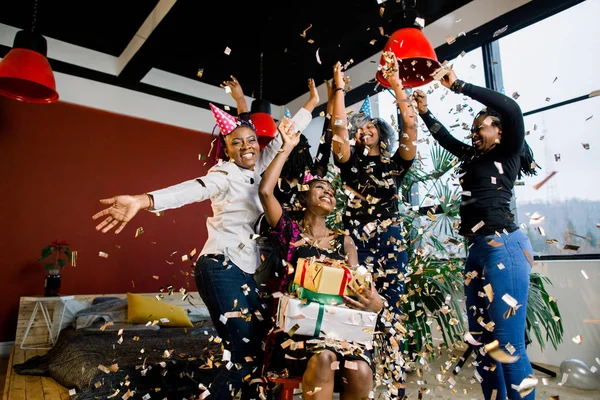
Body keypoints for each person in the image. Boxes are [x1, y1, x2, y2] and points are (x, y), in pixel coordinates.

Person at [91, 103, 312, 400]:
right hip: (220, 266)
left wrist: (313, 101)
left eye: (250, 141)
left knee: (258, 350)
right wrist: (143, 201)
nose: (247, 146)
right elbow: (190, 190)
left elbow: (287, 134)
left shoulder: (260, 168)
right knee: (242, 355)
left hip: (247, 271)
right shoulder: (223, 175)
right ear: (227, 150)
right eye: (237, 143)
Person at [412, 67, 539, 400]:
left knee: (508, 347)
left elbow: (512, 109)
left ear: (498, 131)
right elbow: (445, 139)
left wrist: (458, 85)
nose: (472, 134)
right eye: (471, 130)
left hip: (505, 247)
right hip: (476, 252)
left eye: (479, 128)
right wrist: (425, 113)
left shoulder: (507, 151)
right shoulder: (472, 156)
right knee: (484, 346)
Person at [258, 117, 383, 400]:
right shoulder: (290, 233)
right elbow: (265, 191)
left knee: (360, 370)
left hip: (340, 329)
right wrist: (286, 148)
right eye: (320, 187)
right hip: (301, 329)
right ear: (303, 199)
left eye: (331, 190)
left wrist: (377, 304)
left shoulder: (345, 240)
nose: (328, 191)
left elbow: (359, 289)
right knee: (324, 358)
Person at [331, 53, 417, 338]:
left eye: (370, 126)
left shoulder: (395, 164)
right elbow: (339, 129)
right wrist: (339, 89)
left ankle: (396, 377)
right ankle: (361, 371)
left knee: (392, 308)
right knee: (356, 305)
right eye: (360, 129)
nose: (363, 130)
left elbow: (411, 127)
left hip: (391, 239)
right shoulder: (350, 164)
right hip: (357, 241)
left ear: (380, 133)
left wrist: (396, 84)